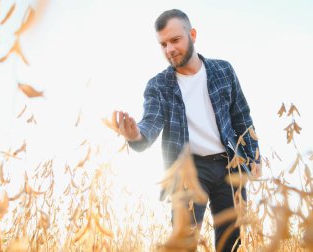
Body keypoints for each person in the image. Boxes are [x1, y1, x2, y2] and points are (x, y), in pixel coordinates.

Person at [111, 9, 262, 251]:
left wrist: (254, 155)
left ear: (192, 34)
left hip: (229, 166)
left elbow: (241, 117)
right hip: (188, 171)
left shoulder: (224, 70)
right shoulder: (158, 86)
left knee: (232, 244)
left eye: (174, 40)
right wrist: (134, 135)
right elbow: (150, 122)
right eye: (163, 44)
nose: (169, 49)